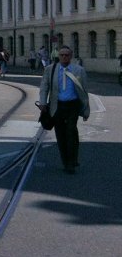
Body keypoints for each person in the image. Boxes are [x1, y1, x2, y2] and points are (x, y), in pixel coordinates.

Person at [38, 45, 89, 174]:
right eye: (62, 55)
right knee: (60, 135)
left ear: (71, 57)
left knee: (71, 132)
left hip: (73, 106)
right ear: (58, 56)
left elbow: (84, 91)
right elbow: (44, 87)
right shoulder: (51, 70)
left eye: (67, 55)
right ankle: (66, 162)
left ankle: (72, 162)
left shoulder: (79, 70)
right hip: (57, 106)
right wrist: (43, 103)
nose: (64, 57)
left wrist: (85, 110)